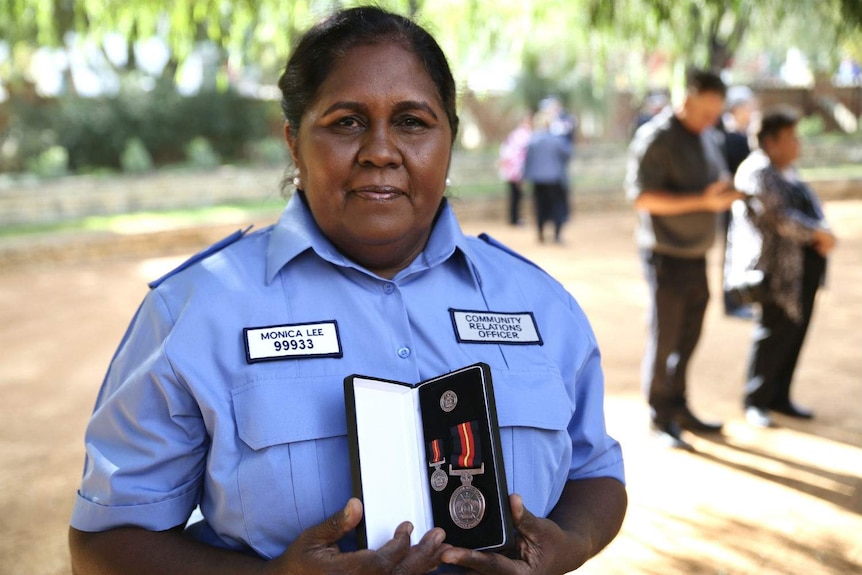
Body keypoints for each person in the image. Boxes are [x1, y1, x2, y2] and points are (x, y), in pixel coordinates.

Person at [68, 6, 626, 575]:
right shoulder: (196, 311)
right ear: (293, 141)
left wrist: (573, 543)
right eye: (346, 122)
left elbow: (596, 471)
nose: (380, 151)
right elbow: (104, 545)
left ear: (450, 139)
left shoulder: (538, 303)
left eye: (412, 121)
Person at [625, 68, 743, 449]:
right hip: (665, 255)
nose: (713, 119)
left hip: (696, 253)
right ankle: (660, 415)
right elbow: (642, 198)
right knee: (666, 336)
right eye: (707, 111)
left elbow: (712, 178)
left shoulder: (706, 135)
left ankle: (679, 404)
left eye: (717, 112)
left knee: (689, 335)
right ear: (686, 100)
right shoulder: (656, 138)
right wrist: (704, 201)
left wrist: (725, 190)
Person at [730, 109, 837, 428]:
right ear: (771, 142)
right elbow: (778, 217)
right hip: (776, 272)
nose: (797, 144)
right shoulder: (757, 172)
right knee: (774, 333)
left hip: (803, 268)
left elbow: (813, 209)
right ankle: (756, 400)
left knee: (794, 332)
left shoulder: (787, 170)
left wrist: (824, 230)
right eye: (791, 137)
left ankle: (780, 396)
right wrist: (818, 233)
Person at [717, 85, 758, 318]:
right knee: (731, 253)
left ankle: (740, 300)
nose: (751, 111)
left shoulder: (740, 134)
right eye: (748, 106)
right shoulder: (729, 136)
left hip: (740, 204)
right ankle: (732, 303)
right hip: (731, 204)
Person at [522, 108, 573, 244]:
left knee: (540, 206)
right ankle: (557, 235)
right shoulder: (557, 140)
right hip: (555, 179)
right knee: (557, 206)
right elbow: (567, 154)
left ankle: (541, 234)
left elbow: (528, 160)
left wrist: (525, 177)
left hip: (538, 180)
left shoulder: (533, 140)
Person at [496, 114, 532, 226]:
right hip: (516, 171)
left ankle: (514, 218)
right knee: (516, 195)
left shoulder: (514, 135)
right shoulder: (524, 135)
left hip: (510, 171)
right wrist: (519, 174)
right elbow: (520, 156)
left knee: (514, 195)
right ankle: (515, 219)